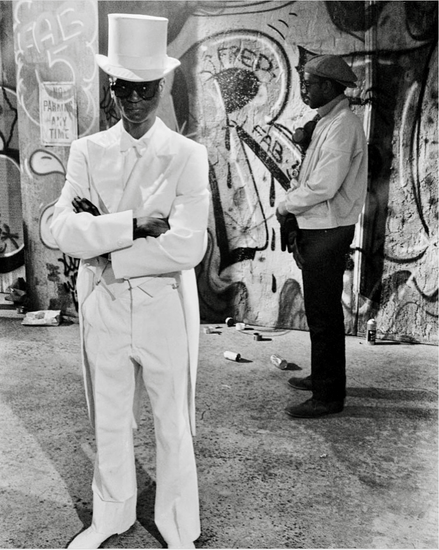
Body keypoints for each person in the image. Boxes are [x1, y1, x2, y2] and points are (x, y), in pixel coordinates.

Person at [50, 13, 210, 549]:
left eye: (145, 89)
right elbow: (58, 229)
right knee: (111, 422)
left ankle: (178, 526)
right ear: (111, 87)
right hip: (105, 310)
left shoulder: (188, 156)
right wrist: (135, 225)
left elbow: (189, 245)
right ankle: (110, 518)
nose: (134, 101)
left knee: (173, 423)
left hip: (164, 304)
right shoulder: (86, 152)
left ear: (161, 87)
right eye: (123, 88)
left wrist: (107, 247)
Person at [276, 55, 368, 418]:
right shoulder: (330, 121)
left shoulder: (342, 125)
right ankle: (323, 378)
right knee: (320, 310)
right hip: (320, 225)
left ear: (329, 87)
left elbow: (324, 185)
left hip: (327, 228)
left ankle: (329, 396)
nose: (305, 89)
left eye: (310, 83)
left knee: (323, 313)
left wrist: (285, 206)